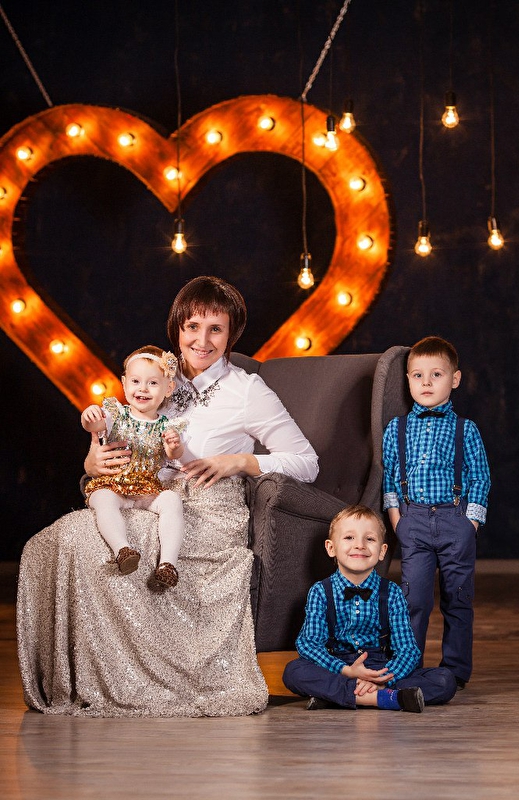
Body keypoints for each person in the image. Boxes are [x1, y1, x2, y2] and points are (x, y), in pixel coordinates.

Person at [17, 275, 318, 718]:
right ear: (177, 328)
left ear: (232, 334)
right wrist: (93, 462)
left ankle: (141, 681)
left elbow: (307, 462)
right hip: (146, 495)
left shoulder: (247, 390)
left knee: (91, 541)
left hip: (208, 507)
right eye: (192, 326)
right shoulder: (154, 376)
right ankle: (92, 679)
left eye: (216, 329)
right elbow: (118, 439)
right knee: (60, 539)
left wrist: (240, 461)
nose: (202, 340)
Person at [382, 336, 490, 690]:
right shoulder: (397, 428)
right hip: (412, 521)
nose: (426, 383)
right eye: (418, 375)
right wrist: (396, 517)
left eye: (436, 374)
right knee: (414, 599)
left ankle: (455, 671)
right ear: (408, 380)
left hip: (454, 520)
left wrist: (471, 522)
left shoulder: (465, 429)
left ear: (454, 379)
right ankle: (409, 666)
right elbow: (390, 476)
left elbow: (480, 476)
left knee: (458, 598)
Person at [283, 505, 456, 711]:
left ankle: (338, 695)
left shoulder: (392, 592)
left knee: (445, 679)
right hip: (339, 668)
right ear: (331, 548)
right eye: (349, 538)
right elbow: (309, 644)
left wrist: (383, 678)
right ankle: (386, 698)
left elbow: (408, 650)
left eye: (370, 539)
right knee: (294, 671)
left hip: (381, 667)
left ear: (382, 551)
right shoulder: (320, 592)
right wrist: (346, 671)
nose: (360, 545)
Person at [81, 345, 187, 588]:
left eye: (153, 383)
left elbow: (174, 454)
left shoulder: (167, 425)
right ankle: (123, 550)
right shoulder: (116, 414)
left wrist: (174, 446)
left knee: (172, 500)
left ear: (168, 388)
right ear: (124, 383)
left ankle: (168, 565)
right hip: (114, 485)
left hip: (147, 489)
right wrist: (89, 416)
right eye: (136, 381)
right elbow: (95, 426)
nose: (143, 388)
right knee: (102, 499)